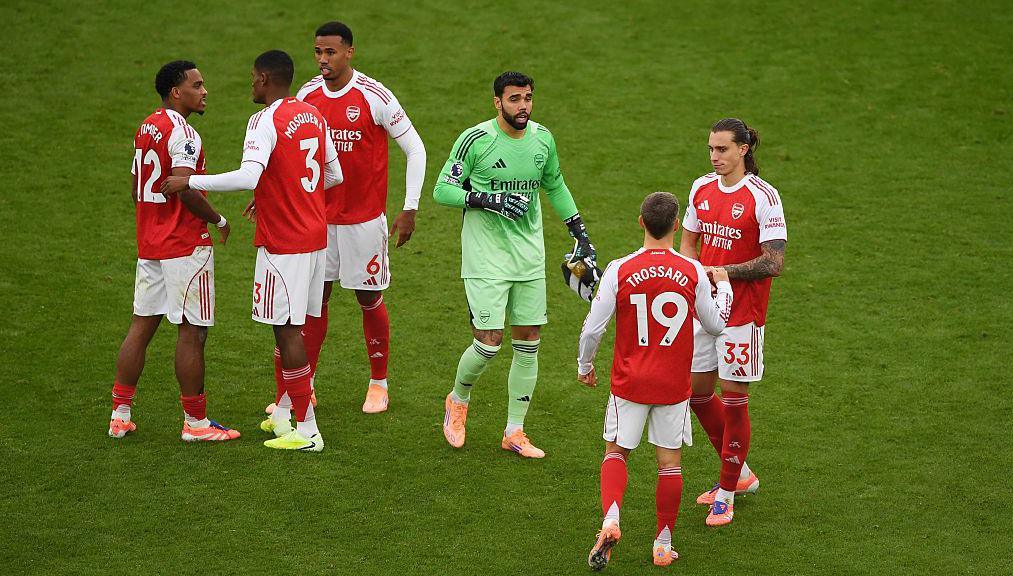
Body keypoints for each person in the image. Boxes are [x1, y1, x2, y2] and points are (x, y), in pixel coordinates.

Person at [162, 50, 343, 452]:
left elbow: (248, 175)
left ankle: (309, 430)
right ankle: (282, 413)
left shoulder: (263, 120)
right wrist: (284, 192)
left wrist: (191, 182)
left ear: (264, 79)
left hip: (284, 242)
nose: (251, 84)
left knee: (288, 330)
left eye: (252, 78)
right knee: (294, 325)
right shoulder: (313, 114)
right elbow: (334, 173)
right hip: (315, 239)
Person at [259, 21, 426, 415]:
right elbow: (288, 151)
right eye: (317, 52)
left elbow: (415, 149)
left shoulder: (374, 96)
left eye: (330, 52)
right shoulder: (308, 95)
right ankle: (306, 384)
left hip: (364, 222)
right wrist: (264, 193)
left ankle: (378, 383)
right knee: (316, 301)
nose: (322, 60)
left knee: (368, 297)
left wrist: (410, 207)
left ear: (349, 52)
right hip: (317, 221)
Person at [433, 71, 597, 458]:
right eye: (514, 99)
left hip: (529, 259)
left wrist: (580, 232)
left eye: (527, 98)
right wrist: (490, 200)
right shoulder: (476, 140)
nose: (522, 106)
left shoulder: (543, 139)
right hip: (485, 259)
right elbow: (443, 190)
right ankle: (457, 401)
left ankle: (515, 431)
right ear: (497, 102)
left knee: (528, 342)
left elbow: (554, 184)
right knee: (488, 343)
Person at [578, 192, 733, 570]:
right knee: (669, 465)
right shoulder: (692, 271)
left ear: (641, 222)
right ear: (676, 226)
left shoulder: (619, 269)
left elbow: (592, 329)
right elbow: (715, 326)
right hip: (672, 386)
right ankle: (663, 543)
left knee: (616, 453)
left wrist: (585, 365)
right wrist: (725, 286)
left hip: (629, 382)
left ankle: (611, 520)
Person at [108, 60, 239, 443]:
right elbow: (185, 187)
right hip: (184, 246)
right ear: (176, 92)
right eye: (197, 85)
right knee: (192, 332)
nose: (205, 91)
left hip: (150, 244)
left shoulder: (147, 124)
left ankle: (120, 414)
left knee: (141, 327)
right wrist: (218, 220)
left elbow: (137, 186)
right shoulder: (185, 134)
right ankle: (195, 424)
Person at [679, 118, 788, 526]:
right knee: (697, 392)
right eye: (711, 148)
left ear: (743, 149)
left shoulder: (764, 196)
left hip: (742, 315)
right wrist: (694, 274)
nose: (714, 156)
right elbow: (689, 239)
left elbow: (774, 261)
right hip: (705, 309)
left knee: (735, 397)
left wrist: (725, 272)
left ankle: (726, 489)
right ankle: (740, 473)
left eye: (722, 149)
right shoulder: (701, 187)